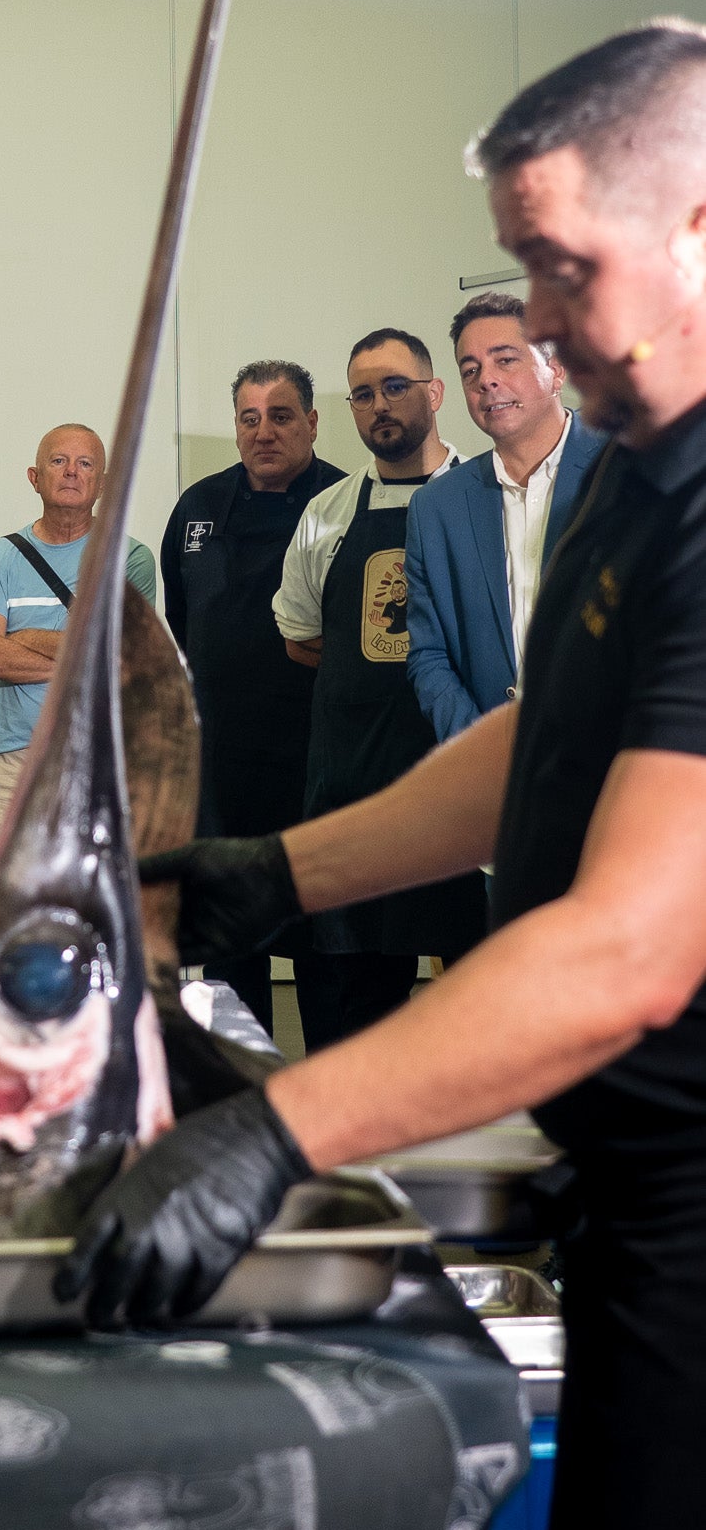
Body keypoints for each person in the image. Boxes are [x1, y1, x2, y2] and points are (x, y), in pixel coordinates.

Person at [60, 20, 706, 1530]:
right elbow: (540, 743)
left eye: (562, 271)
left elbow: (629, 946)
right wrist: (274, 875)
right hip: (624, 1185)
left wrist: (273, 1135)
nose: (539, 329)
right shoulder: (637, 466)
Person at [271, 329, 487, 1051]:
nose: (377, 405)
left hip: (461, 783)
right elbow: (300, 634)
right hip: (358, 786)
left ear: (434, 393)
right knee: (361, 1000)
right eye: (361, 393)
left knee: (483, 991)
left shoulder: (485, 500)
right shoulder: (326, 515)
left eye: (394, 386)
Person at [159, 362, 344, 1032]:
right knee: (230, 950)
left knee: (325, 944)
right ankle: (236, 1096)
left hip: (316, 763)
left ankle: (328, 1106)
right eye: (249, 418)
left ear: (311, 423)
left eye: (281, 415)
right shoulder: (196, 511)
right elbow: (179, 630)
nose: (263, 432)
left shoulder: (345, 503)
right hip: (223, 769)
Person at [406, 291, 605, 742]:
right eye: (470, 370)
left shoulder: (622, 469)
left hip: (614, 761)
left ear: (555, 370)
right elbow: (428, 656)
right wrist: (478, 749)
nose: (486, 381)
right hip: (491, 769)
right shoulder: (437, 507)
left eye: (506, 360)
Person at [0, 423, 156, 852]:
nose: (71, 472)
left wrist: (25, 635)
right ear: (35, 477)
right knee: (8, 906)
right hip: (15, 759)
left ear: (103, 484)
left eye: (85, 463)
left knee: (93, 904)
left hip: (101, 757)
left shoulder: (129, 559)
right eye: (58, 461)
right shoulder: (1, 556)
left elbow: (122, 657)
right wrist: (84, 657)